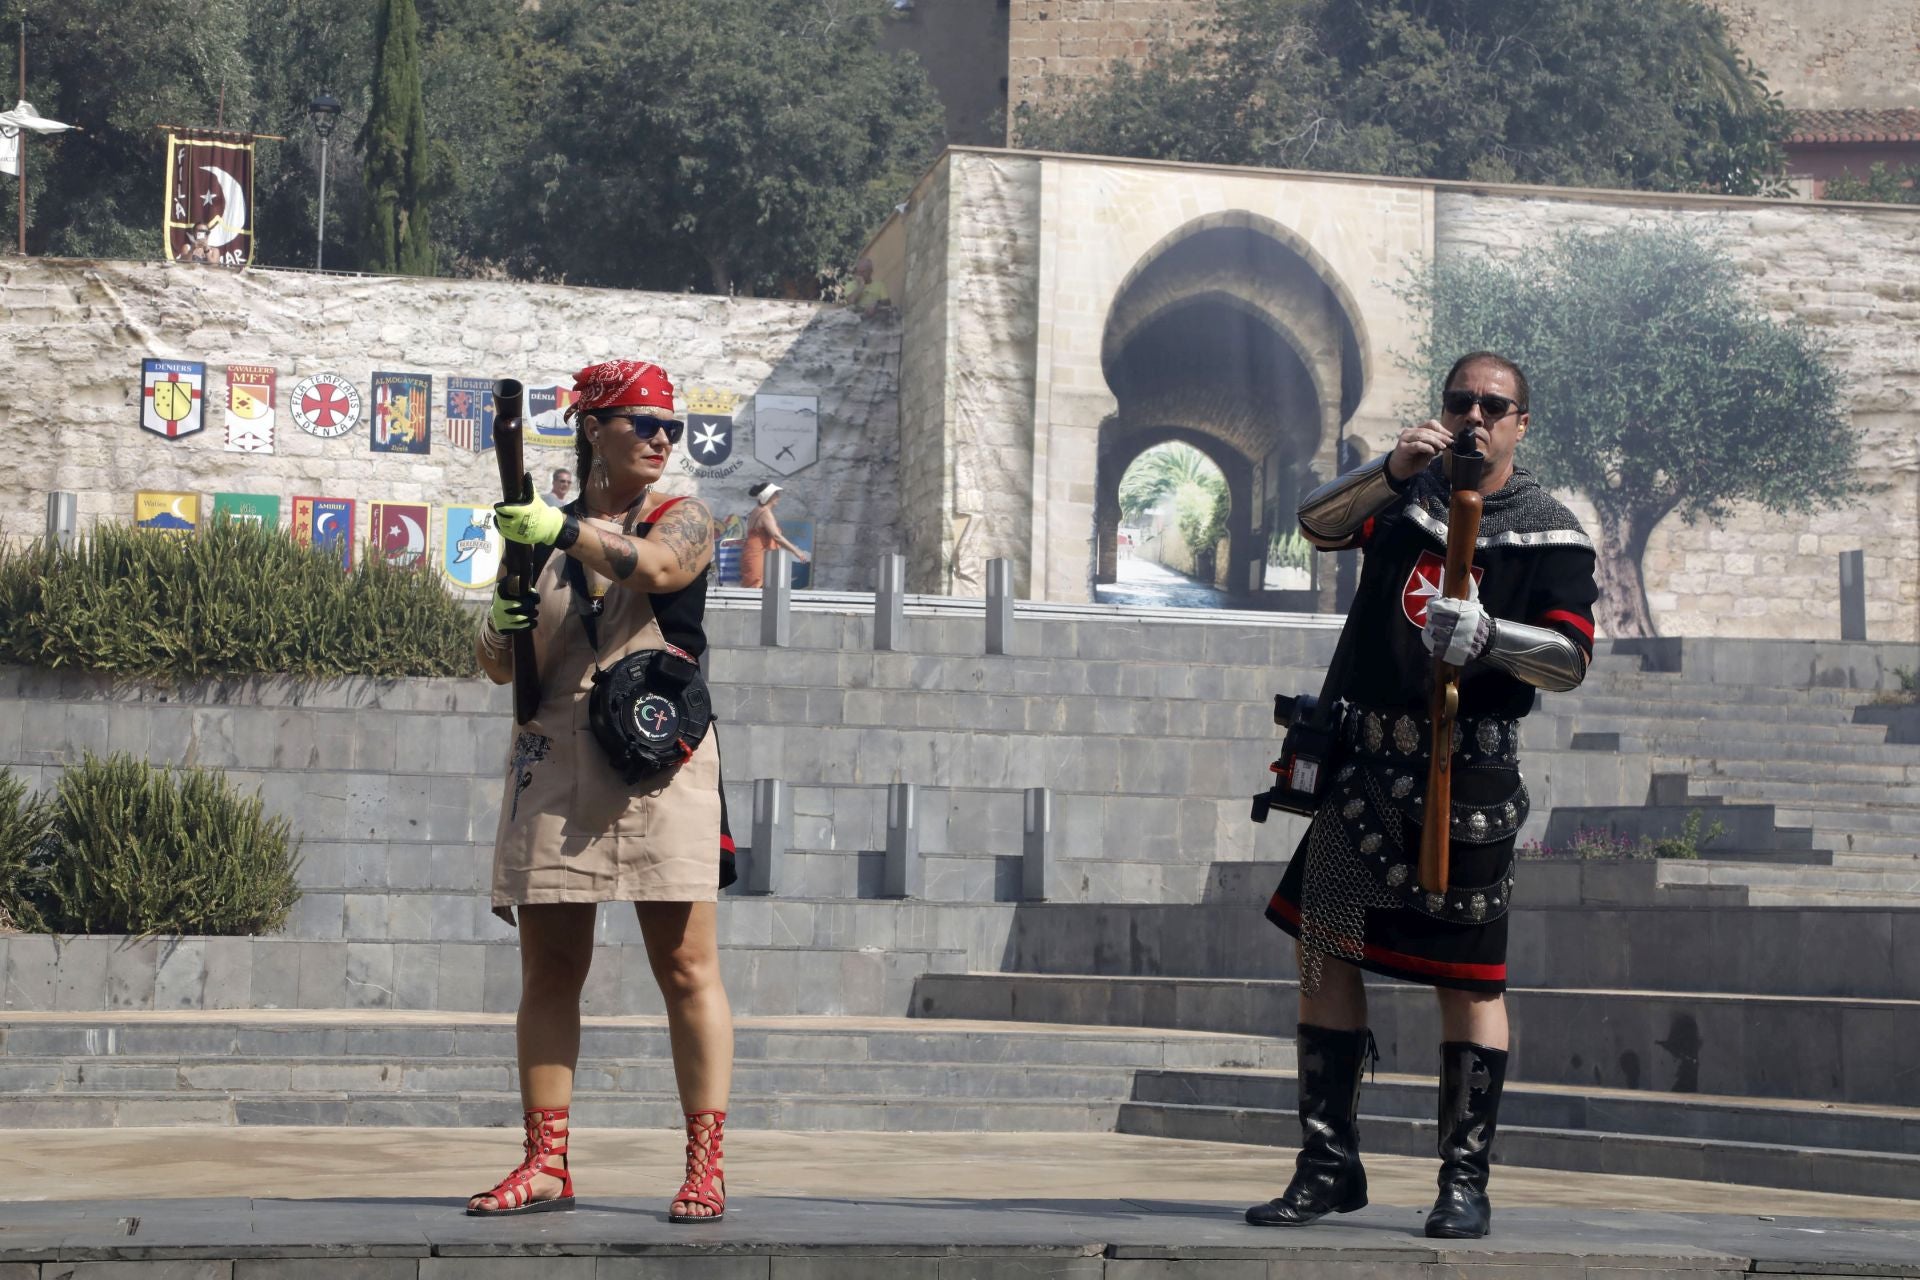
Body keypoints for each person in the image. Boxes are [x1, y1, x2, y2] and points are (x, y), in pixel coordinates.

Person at [1245, 352, 1598, 1240]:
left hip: (1468, 777)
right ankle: (1328, 1166)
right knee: (1323, 953)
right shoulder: (1404, 499)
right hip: (1363, 770)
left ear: (1523, 422)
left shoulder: (1553, 531)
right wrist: (1391, 468)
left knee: (1470, 984)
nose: (1475, 416)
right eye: (1461, 401)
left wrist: (1493, 636)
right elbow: (1316, 526)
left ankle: (1463, 1183)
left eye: (1495, 405)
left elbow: (1571, 659)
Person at [469, 358, 735, 1223]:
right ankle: (547, 1162)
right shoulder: (536, 530)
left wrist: (560, 528)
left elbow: (657, 569)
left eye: (672, 426)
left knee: (686, 966)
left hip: (658, 759)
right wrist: (499, 629)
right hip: (555, 754)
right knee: (550, 967)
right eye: (642, 422)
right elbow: (505, 660)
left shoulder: (683, 514)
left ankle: (706, 1165)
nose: (662, 438)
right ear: (593, 428)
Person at [737, 481, 810, 589]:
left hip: (755, 553)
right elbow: (776, 536)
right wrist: (796, 551)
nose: (778, 497)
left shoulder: (757, 510)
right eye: (776, 494)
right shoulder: (765, 513)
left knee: (759, 590)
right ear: (769, 496)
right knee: (755, 589)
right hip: (758, 556)